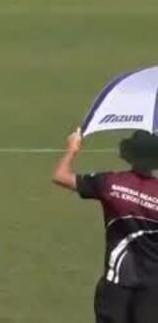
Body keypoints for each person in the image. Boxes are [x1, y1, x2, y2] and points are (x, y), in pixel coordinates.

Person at [53, 129, 158, 322]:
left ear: (129, 155)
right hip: (153, 288)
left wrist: (72, 149)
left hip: (116, 283)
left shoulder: (110, 182)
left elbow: (60, 176)